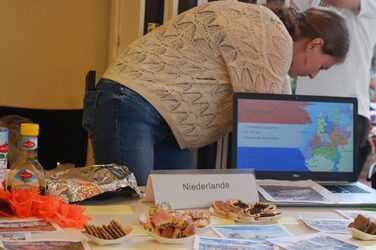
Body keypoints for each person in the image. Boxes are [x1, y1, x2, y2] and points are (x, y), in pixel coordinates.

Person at [83, 1, 349, 185]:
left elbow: (278, 114)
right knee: (131, 207)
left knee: (178, 207)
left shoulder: (273, 49)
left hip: (164, 123)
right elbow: (266, 128)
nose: (314, 75)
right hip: (132, 102)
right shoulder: (274, 35)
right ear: (315, 44)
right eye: (322, 67)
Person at [292, 0, 376, 175]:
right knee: (294, 186)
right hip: (305, 109)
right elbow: (292, 20)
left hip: (344, 111)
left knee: (331, 192)